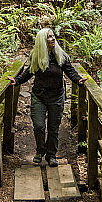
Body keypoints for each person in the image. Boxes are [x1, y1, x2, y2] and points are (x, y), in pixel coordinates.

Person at [8, 28, 85, 167]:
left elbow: (70, 71)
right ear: (43, 41)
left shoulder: (60, 55)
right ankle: (40, 150)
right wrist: (17, 81)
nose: (53, 38)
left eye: (53, 36)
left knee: (53, 128)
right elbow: (29, 72)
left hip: (56, 96)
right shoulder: (36, 55)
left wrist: (78, 80)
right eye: (49, 37)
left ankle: (51, 155)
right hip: (39, 96)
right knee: (39, 126)